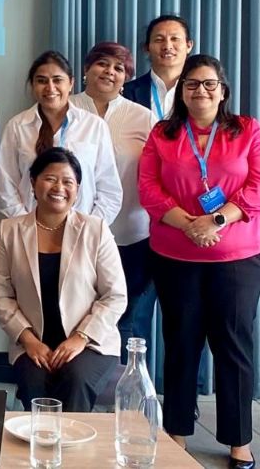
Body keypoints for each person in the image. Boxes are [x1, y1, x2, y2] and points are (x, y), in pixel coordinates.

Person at [139, 55, 260, 469]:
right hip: (175, 255)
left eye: (209, 84)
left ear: (223, 89)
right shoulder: (163, 133)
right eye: (192, 84)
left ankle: (238, 441)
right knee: (181, 344)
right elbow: (149, 186)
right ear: (181, 91)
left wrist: (213, 220)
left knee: (233, 348)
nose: (201, 91)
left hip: (236, 257)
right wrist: (189, 225)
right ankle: (176, 432)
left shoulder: (247, 130)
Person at [0, 147, 127, 412]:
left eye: (68, 181)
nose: (59, 187)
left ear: (77, 188)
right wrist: (28, 340)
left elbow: (115, 295)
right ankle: (40, 448)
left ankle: (75, 451)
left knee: (75, 377)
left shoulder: (95, 229)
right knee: (33, 379)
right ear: (33, 182)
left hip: (90, 342)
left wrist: (81, 338)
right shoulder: (10, 231)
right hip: (33, 339)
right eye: (50, 178)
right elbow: (0, 295)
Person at [70, 42, 156, 358]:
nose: (110, 72)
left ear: (126, 78)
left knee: (123, 318)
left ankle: (120, 397)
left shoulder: (143, 118)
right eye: (102, 64)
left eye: (118, 68)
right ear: (85, 69)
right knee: (75, 315)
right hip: (72, 235)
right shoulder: (66, 108)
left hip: (130, 236)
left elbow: (156, 175)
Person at [0, 50, 121, 224]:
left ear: (71, 83)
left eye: (57, 80)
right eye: (41, 81)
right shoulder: (17, 126)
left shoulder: (94, 126)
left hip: (82, 231)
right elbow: (6, 186)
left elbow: (109, 189)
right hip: (29, 230)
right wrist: (27, 226)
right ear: (33, 85)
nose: (50, 88)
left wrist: (88, 227)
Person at [123, 15, 194, 122]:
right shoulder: (126, 92)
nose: (167, 46)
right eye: (159, 40)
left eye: (175, 39)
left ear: (189, 46)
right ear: (147, 48)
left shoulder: (201, 91)